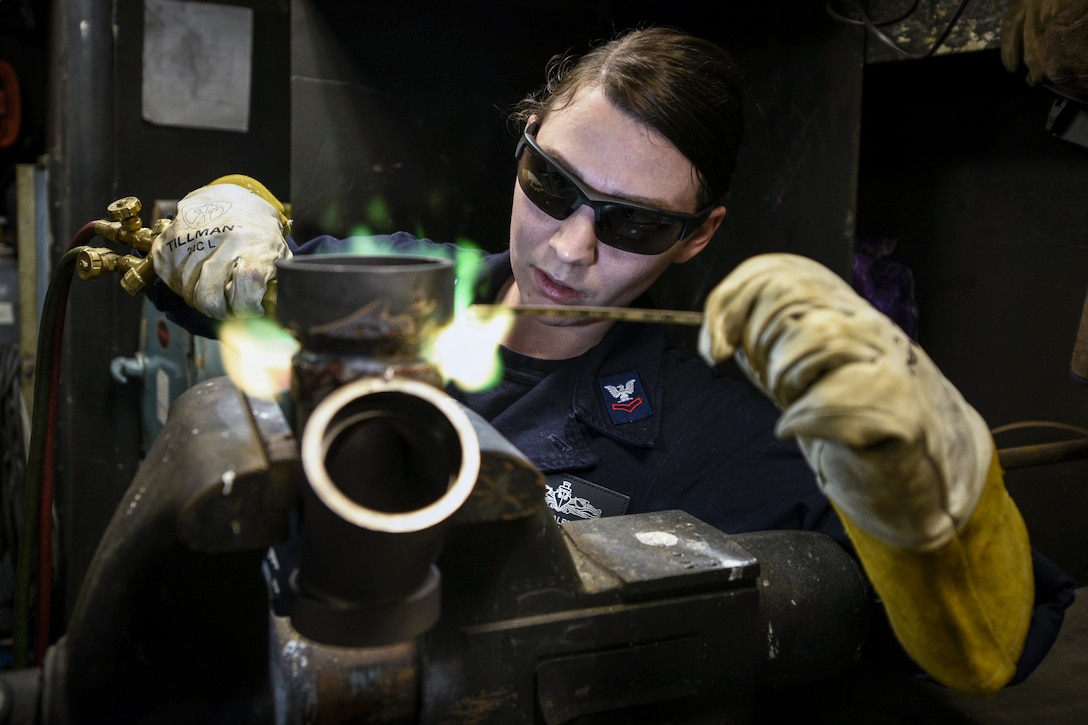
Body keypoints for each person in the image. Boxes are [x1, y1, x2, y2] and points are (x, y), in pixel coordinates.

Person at [146, 26, 1075, 696]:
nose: (571, 249)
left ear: (697, 234)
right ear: (525, 137)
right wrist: (231, 247)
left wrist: (926, 477)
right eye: (552, 185)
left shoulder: (738, 435)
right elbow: (213, 227)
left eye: (633, 222)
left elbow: (996, 637)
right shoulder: (394, 287)